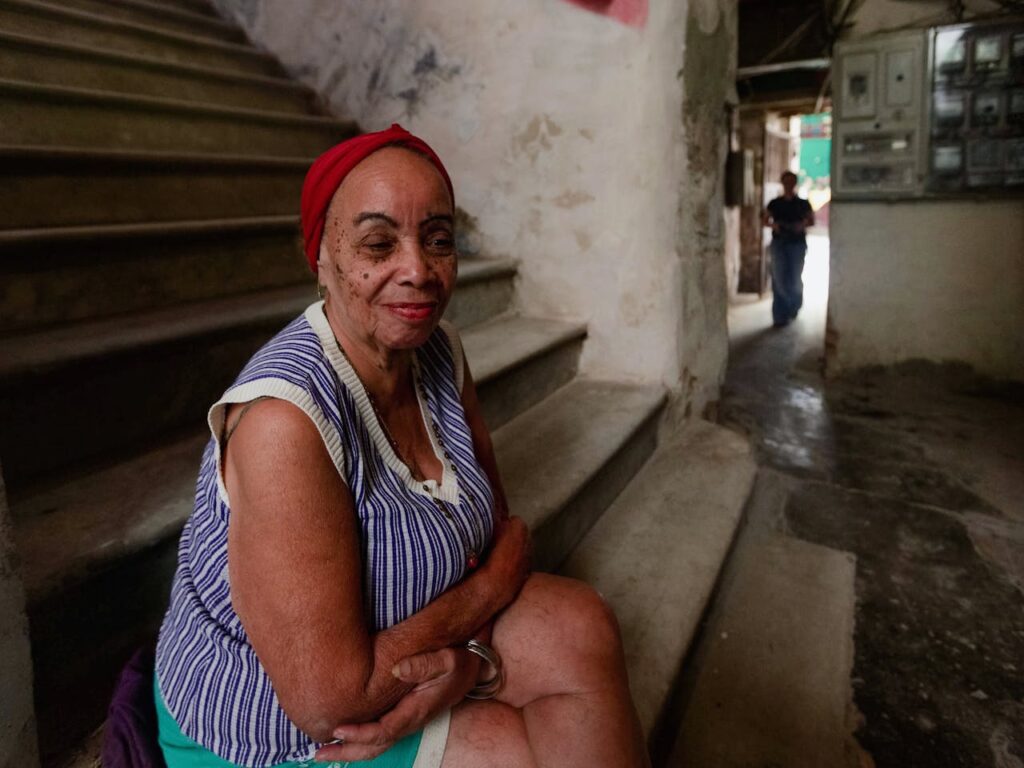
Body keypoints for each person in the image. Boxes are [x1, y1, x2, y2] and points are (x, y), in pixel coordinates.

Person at [153, 124, 650, 768]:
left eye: (438, 240)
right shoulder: (285, 423)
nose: (417, 270)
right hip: (274, 731)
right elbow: (331, 700)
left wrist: (465, 662)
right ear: (322, 259)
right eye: (377, 242)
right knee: (516, 753)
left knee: (583, 622)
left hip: (407, 649)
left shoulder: (437, 350)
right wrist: (489, 592)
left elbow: (498, 527)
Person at [763, 170, 814, 327]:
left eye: (791, 181)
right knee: (779, 278)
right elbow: (765, 219)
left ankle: (794, 306)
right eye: (786, 181)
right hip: (779, 243)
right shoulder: (775, 203)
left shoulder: (803, 203)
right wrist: (774, 225)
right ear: (782, 183)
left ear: (794, 183)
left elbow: (811, 220)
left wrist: (801, 225)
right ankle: (780, 315)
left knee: (794, 278)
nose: (788, 185)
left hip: (797, 244)